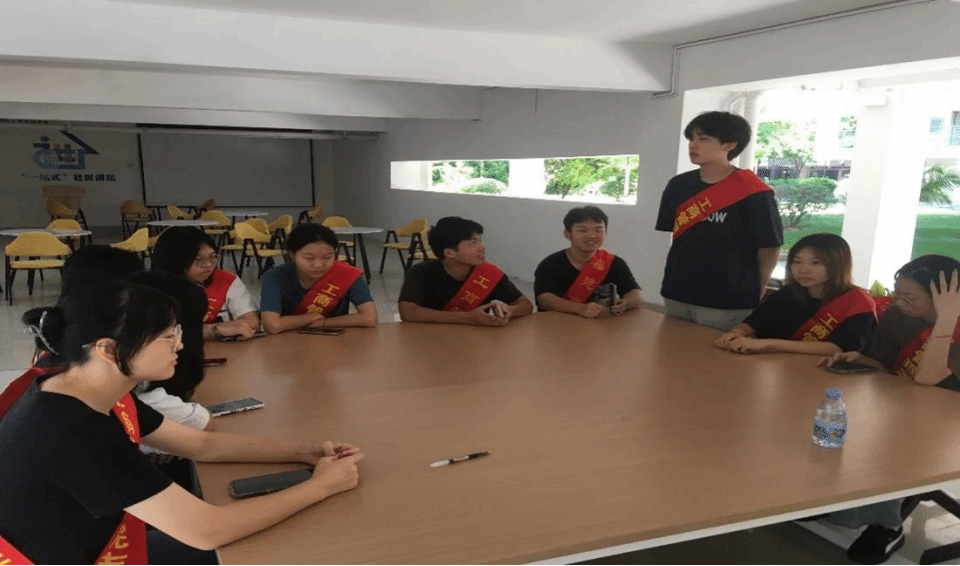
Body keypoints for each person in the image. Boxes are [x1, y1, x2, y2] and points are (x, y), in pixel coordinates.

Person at [0, 282, 364, 564]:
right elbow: (206, 531)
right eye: (167, 335)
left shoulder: (84, 387)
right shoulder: (75, 431)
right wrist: (322, 486)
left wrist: (305, 452)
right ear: (108, 350)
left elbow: (200, 444)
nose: (180, 344)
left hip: (97, 541)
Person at [820, 255, 960, 564]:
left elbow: (929, 377)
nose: (898, 302)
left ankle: (885, 525)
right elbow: (884, 363)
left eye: (910, 298)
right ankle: (821, 498)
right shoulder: (898, 316)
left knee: (891, 446)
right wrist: (858, 358)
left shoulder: (956, 326)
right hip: (909, 406)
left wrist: (948, 317)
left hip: (949, 426)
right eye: (897, 293)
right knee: (841, 421)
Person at [656, 111, 784, 331]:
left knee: (715, 352)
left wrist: (759, 286)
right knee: (672, 347)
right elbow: (674, 231)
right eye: (691, 138)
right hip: (677, 289)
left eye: (703, 139)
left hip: (727, 296)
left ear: (729, 145)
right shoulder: (678, 185)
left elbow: (770, 245)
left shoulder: (753, 191)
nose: (693, 145)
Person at [714, 234, 875, 356]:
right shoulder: (790, 292)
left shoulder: (857, 302)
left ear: (838, 265)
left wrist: (767, 344)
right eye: (797, 262)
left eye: (815, 263)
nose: (803, 270)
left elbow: (836, 348)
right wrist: (737, 333)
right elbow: (753, 322)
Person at [398, 216, 533, 326]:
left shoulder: (488, 274)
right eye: (473, 243)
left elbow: (525, 304)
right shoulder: (421, 272)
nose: (482, 247)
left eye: (480, 240)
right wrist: (468, 318)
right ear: (449, 253)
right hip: (429, 338)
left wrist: (509, 310)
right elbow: (407, 312)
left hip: (475, 340)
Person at [260, 223, 378, 332]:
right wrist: (312, 317)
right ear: (292, 254)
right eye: (309, 258)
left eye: (327, 257)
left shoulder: (347, 274)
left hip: (336, 340)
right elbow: (272, 325)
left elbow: (370, 318)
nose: (318, 265)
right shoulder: (274, 277)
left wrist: (323, 323)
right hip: (287, 341)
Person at [152, 227, 260, 341]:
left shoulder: (226, 280)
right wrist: (213, 330)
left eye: (212, 257)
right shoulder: (153, 289)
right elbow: (158, 333)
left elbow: (252, 322)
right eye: (199, 260)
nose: (209, 265)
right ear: (175, 261)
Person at [534, 206, 643, 318]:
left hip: (601, 323)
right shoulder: (550, 264)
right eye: (582, 230)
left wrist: (626, 303)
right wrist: (578, 308)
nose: (592, 236)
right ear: (567, 234)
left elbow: (634, 291)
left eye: (598, 230)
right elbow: (544, 299)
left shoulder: (614, 262)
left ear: (606, 233)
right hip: (558, 322)